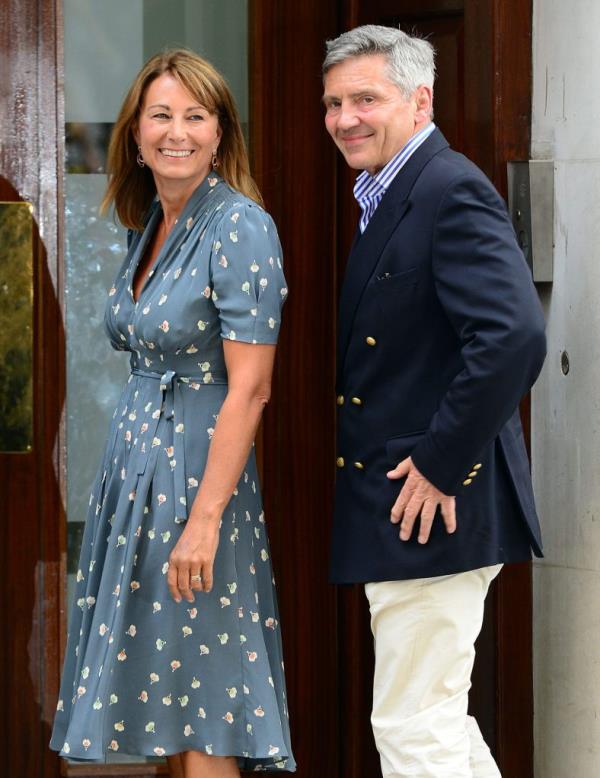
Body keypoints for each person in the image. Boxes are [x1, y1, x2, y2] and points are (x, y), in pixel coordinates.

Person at [50, 49, 295, 776]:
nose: (176, 131)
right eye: (161, 115)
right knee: (164, 698)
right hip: (137, 476)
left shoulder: (239, 226)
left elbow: (250, 388)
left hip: (196, 483)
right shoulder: (150, 221)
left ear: (221, 134)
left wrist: (205, 520)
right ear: (135, 133)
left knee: (201, 704)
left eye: (195, 115)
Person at [322, 25, 546, 777]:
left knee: (418, 725)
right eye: (334, 103)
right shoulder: (395, 193)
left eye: (365, 99)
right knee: (424, 720)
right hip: (411, 508)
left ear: (420, 101)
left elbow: (513, 337)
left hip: (434, 504)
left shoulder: (448, 189)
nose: (346, 118)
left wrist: (440, 464)